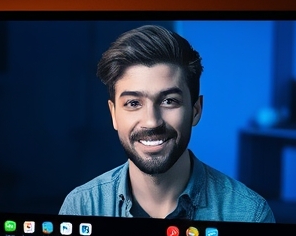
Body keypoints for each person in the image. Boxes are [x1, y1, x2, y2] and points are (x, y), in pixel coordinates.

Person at [60, 25, 275, 222]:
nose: (151, 121)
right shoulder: (81, 207)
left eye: (169, 101)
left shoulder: (251, 215)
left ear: (196, 110)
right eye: (133, 103)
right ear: (114, 115)